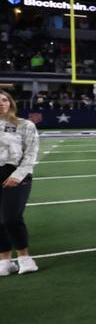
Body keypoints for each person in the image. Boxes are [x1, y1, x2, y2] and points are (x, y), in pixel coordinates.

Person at [0, 89, 39, 275]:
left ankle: (25, 258)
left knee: (11, 217)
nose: (1, 103)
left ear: (10, 103)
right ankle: (4, 261)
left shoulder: (25, 125)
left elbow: (30, 154)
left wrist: (18, 174)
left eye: (4, 100)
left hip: (16, 174)